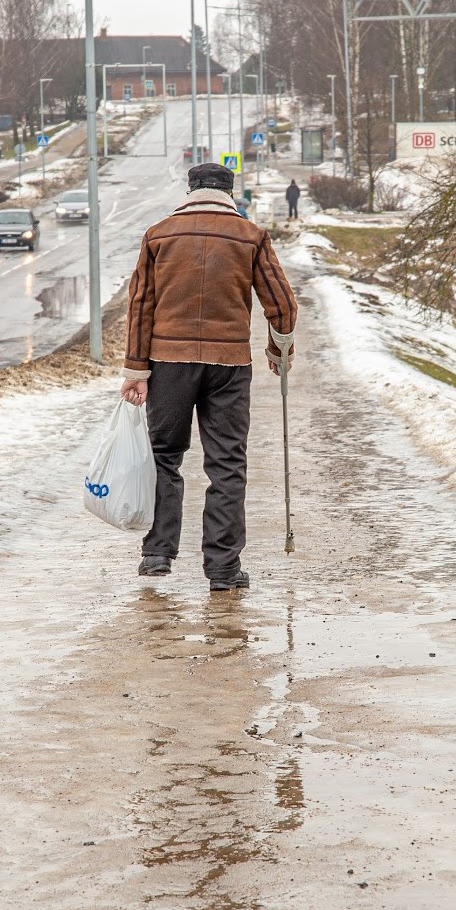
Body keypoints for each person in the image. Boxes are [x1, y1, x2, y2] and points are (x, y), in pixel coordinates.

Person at [120, 162, 297, 592]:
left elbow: (141, 306)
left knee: (164, 455)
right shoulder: (251, 236)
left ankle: (157, 553)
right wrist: (279, 350)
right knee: (227, 464)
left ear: (190, 191)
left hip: (168, 362)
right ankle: (223, 569)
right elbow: (283, 304)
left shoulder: (158, 235)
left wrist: (136, 370)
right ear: (228, 193)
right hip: (229, 364)